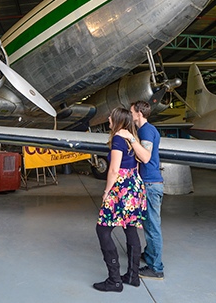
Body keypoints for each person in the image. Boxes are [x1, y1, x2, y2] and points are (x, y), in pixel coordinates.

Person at [93, 107, 147, 292]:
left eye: (110, 116)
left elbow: (114, 170)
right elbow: (143, 159)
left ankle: (114, 280)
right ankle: (133, 276)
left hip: (121, 189)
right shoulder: (132, 138)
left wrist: (107, 191)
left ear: (116, 120)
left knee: (103, 230)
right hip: (133, 188)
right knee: (131, 230)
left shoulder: (117, 139)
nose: (108, 118)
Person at [128, 101, 165, 280]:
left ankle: (156, 268)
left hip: (150, 184)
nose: (130, 114)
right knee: (149, 224)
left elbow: (145, 156)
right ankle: (150, 255)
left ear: (139, 113)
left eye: (131, 111)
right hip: (150, 182)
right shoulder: (148, 130)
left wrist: (130, 139)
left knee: (152, 226)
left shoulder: (145, 131)